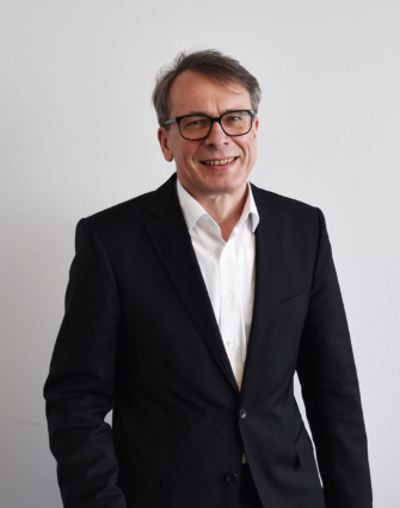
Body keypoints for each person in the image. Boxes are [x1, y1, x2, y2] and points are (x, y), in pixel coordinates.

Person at [44, 49, 373, 508]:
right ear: (166, 141)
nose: (219, 138)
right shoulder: (110, 241)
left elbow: (333, 391)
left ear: (254, 129)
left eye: (234, 118)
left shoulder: (304, 229)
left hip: (288, 494)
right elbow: (76, 400)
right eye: (195, 122)